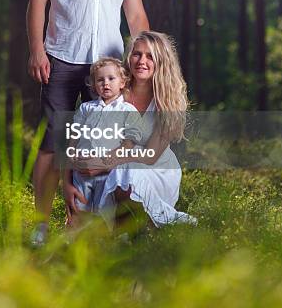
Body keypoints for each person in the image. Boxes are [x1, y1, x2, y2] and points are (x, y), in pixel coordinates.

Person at [27, 0, 149, 245]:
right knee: (54, 142)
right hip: (62, 59)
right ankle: (41, 224)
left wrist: (145, 57)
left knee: (106, 144)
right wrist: (36, 49)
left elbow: (136, 15)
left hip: (110, 66)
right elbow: (38, 0)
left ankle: (98, 222)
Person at [66, 31, 196, 228]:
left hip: (155, 169)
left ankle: (139, 226)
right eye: (137, 54)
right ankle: (122, 231)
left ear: (161, 61)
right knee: (113, 175)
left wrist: (103, 163)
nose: (141, 60)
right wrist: (71, 176)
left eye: (150, 56)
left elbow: (151, 156)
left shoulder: (168, 101)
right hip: (112, 160)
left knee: (123, 172)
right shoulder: (116, 91)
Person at [64, 57, 141, 227]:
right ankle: (71, 242)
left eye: (111, 78)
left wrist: (105, 161)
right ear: (93, 85)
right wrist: (72, 156)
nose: (105, 83)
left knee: (104, 212)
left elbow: (129, 143)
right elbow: (74, 135)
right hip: (81, 171)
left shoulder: (127, 110)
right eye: (100, 80)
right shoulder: (86, 108)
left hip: (107, 173)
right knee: (78, 209)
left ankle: (103, 242)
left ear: (122, 82)